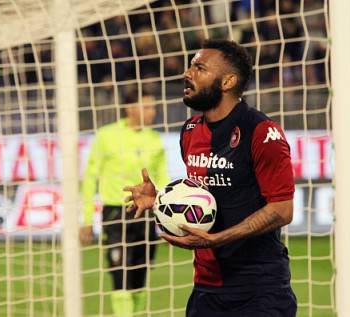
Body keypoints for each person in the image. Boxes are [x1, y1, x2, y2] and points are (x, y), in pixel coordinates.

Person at [123, 39, 297, 317]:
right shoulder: (190, 130)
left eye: (199, 68)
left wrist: (217, 239)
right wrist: (158, 201)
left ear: (228, 81)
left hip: (259, 291)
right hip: (206, 290)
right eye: (191, 65)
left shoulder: (262, 132)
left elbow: (282, 210)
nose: (187, 73)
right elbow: (206, 197)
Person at [80, 90, 169, 317]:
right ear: (130, 108)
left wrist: (167, 217)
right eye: (147, 107)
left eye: (153, 107)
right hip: (115, 213)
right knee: (120, 272)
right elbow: (90, 178)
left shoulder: (155, 140)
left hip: (145, 213)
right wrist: (87, 219)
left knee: (140, 274)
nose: (153, 111)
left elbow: (163, 179)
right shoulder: (106, 136)